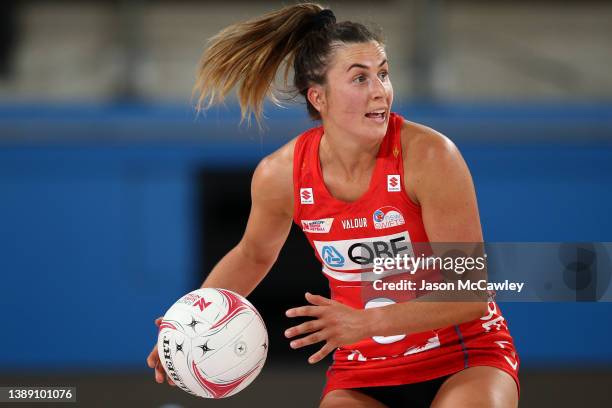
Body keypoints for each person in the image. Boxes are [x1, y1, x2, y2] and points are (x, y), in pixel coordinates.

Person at [146, 3, 519, 407]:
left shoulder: (430, 157)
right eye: (360, 77)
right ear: (318, 97)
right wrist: (188, 328)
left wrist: (369, 321)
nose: (380, 89)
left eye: (383, 73)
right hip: (363, 370)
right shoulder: (280, 174)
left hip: (464, 358)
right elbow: (252, 254)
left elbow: (469, 291)